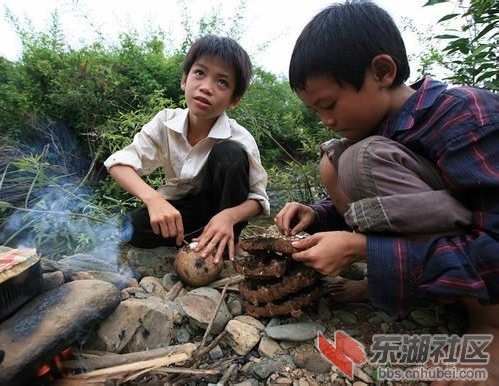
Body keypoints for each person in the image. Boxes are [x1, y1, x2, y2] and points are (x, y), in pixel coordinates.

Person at [275, 2, 498, 382]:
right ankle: (399, 280)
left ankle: (491, 325)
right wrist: (318, 213)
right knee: (335, 159)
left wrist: (364, 250)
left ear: (382, 71)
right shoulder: (384, 127)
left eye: (329, 104)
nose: (327, 120)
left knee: (360, 158)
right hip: (452, 245)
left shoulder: (465, 117)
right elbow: (399, 203)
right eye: (317, 112)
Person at [105, 35, 269, 264]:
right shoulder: (165, 122)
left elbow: (258, 199)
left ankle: (228, 242)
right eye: (199, 73)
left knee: (229, 153)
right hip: (183, 211)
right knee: (130, 226)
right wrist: (154, 200)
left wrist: (229, 216)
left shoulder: (240, 137)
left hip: (223, 209)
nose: (206, 87)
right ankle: (198, 241)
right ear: (184, 79)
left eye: (222, 82)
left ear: (234, 100)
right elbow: (119, 164)